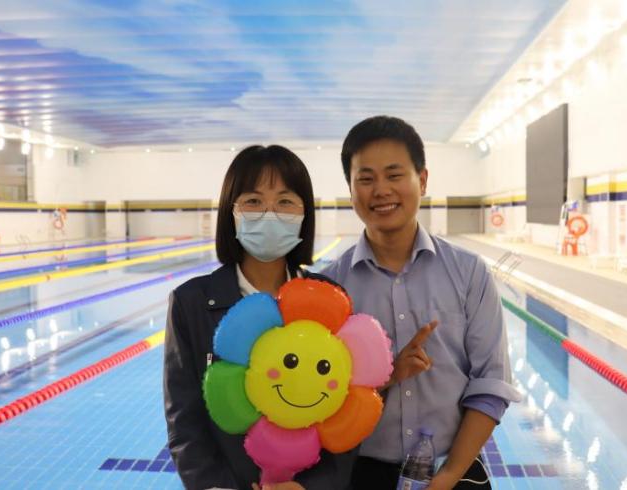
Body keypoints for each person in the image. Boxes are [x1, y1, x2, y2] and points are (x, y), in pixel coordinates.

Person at [322, 116, 522, 490]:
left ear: (423, 180)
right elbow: (323, 395)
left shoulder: (468, 272)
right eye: (366, 179)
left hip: (457, 469)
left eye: (394, 175)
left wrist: (448, 476)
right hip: (362, 474)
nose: (381, 190)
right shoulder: (332, 287)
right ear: (351, 190)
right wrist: (387, 377)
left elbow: (491, 383)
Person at [164, 145, 354, 490]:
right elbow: (184, 422)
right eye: (253, 201)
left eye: (285, 201)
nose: (269, 214)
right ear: (231, 211)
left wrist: (310, 486)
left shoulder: (330, 300)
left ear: (304, 213)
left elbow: (346, 411)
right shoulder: (191, 303)